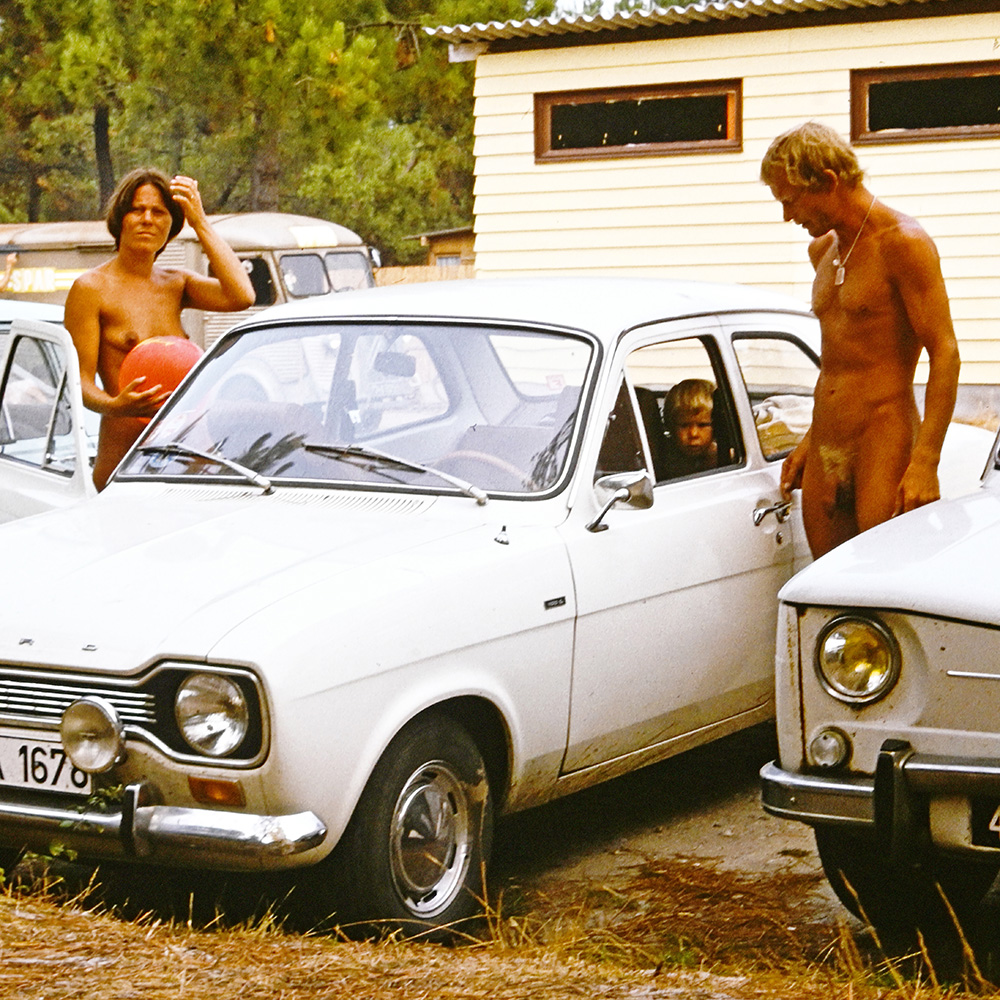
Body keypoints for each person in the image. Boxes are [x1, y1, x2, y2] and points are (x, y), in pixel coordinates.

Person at [760, 121, 960, 558]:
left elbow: (944, 351)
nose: (788, 216)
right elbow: (843, 354)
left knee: (885, 584)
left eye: (791, 201)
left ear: (828, 182)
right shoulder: (823, 252)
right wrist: (812, 439)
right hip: (828, 437)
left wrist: (926, 461)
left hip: (882, 437)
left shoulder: (903, 243)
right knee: (828, 586)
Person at [64, 168, 255, 490]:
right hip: (125, 456)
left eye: (159, 212)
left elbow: (242, 296)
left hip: (188, 448)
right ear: (119, 219)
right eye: (137, 210)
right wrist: (115, 406)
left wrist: (200, 221)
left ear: (172, 225)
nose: (148, 219)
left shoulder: (176, 284)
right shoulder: (91, 288)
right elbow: (78, 381)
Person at [662, 378, 718, 477]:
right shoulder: (662, 460)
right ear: (670, 425)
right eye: (684, 425)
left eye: (703, 425)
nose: (693, 433)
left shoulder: (724, 458)